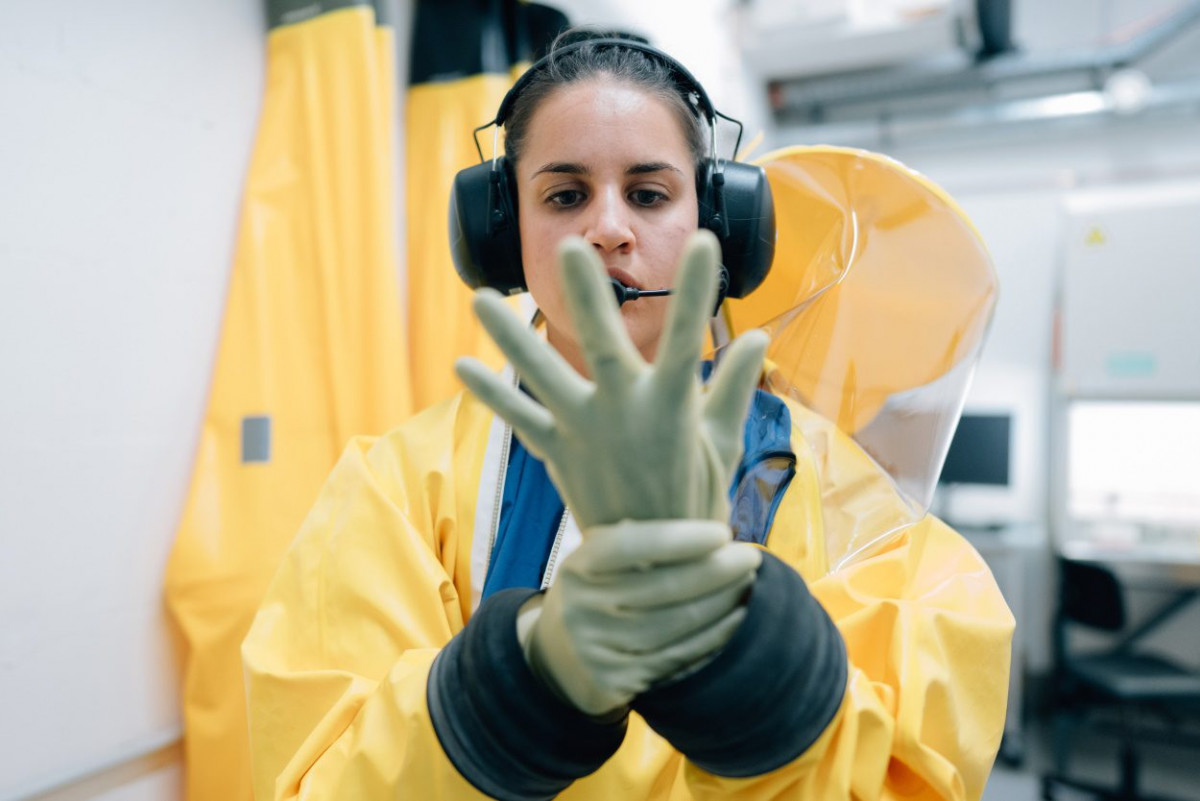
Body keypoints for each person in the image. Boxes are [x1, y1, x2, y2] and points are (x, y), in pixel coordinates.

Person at [243, 31, 1014, 801]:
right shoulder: (393, 487)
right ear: (504, 233)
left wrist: (747, 668)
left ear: (716, 222)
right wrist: (526, 681)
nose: (608, 228)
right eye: (565, 194)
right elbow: (321, 772)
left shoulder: (839, 489)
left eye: (648, 194)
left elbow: (915, 767)